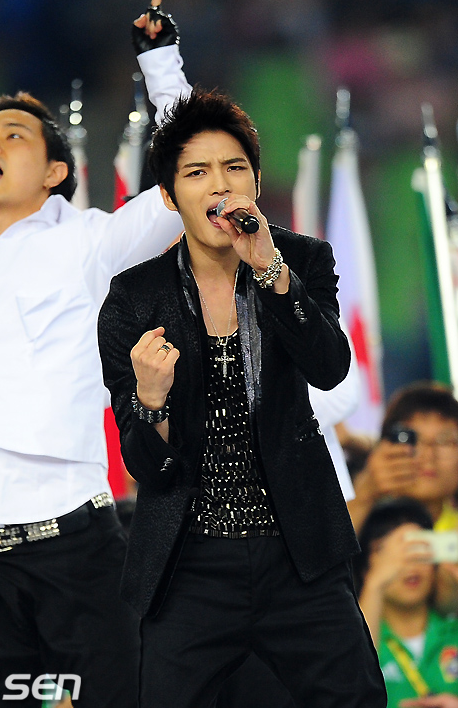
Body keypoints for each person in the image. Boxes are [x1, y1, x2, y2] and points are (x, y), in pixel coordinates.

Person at [98, 87, 386, 708]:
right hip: (189, 561)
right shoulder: (133, 297)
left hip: (298, 550)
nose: (220, 185)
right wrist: (151, 400)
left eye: (234, 168)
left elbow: (330, 369)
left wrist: (270, 271)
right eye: (197, 172)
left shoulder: (301, 259)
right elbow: (146, 466)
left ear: (255, 180)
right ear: (170, 196)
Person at [0, 0, 190, 706]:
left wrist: (162, 65)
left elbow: (191, 177)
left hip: (73, 550)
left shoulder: (90, 242)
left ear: (57, 173)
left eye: (12, 136)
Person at [348, 381, 458, 612]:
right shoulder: (358, 512)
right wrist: (364, 494)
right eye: (413, 439)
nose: (429, 454)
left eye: (444, 440)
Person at [355, 498, 458, 708]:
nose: (409, 564)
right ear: (365, 566)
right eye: (390, 552)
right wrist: (375, 585)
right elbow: (348, 683)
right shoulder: (360, 637)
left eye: (418, 548)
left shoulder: (453, 628)